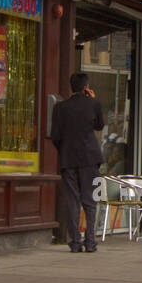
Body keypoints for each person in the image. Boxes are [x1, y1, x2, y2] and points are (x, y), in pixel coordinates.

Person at [50, 72, 105, 252]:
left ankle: (75, 242)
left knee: (72, 201)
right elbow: (99, 125)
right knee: (90, 201)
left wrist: (65, 151)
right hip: (91, 159)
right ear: (86, 88)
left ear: (70, 87)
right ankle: (90, 241)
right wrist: (93, 100)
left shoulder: (60, 108)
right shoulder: (94, 104)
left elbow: (55, 137)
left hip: (68, 160)